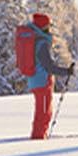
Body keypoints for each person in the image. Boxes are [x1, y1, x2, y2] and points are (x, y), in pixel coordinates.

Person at [20, 9, 58, 141]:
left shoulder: (35, 40)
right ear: (43, 27)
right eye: (48, 26)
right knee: (43, 112)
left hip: (36, 80)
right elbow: (48, 66)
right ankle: (38, 138)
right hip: (42, 82)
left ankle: (40, 135)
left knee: (42, 111)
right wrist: (66, 71)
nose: (50, 29)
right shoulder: (41, 43)